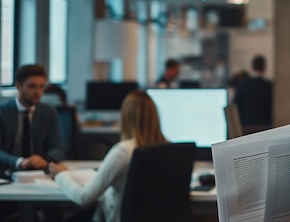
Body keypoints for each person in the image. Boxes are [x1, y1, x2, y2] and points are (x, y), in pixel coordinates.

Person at [48, 90, 168, 222]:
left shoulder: (123, 151)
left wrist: (61, 174)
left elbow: (84, 197)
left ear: (126, 117)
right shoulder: (169, 149)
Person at [0, 64, 65, 175]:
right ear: (18, 86)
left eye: (41, 86)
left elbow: (58, 148)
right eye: (32, 86)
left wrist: (43, 159)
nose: (38, 92)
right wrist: (19, 162)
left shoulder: (49, 112)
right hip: (8, 171)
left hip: (39, 172)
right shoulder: (3, 112)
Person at [233, 55, 272, 133]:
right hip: (264, 126)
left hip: (247, 126)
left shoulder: (243, 84)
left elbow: (236, 105)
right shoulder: (269, 86)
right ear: (264, 68)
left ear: (252, 67)